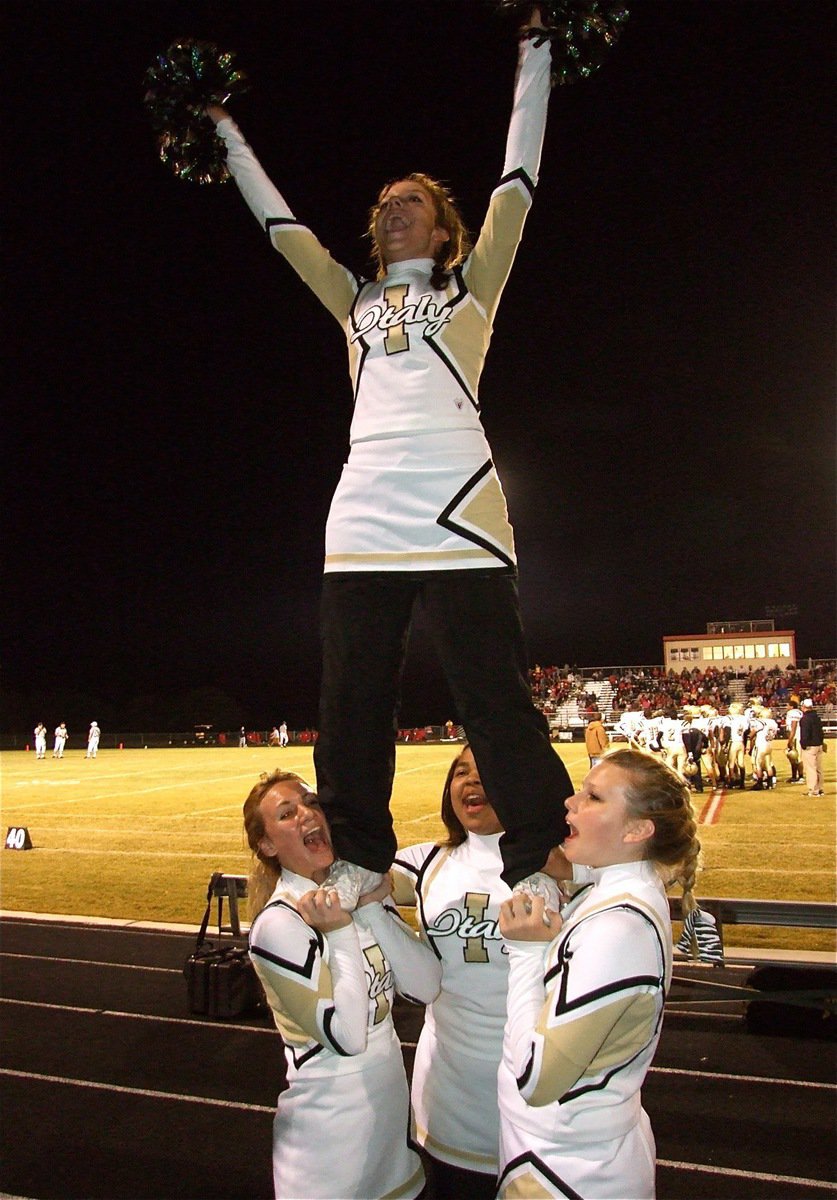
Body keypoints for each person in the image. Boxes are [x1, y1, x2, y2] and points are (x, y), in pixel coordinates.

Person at [207, 5, 572, 905]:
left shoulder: (473, 284)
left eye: (408, 202)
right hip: (364, 503)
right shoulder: (353, 299)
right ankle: (364, 853)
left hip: (458, 502)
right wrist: (222, 130)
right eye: (382, 206)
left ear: (442, 230)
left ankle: (541, 854)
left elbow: (516, 179)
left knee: (492, 697)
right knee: (350, 700)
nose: (390, 210)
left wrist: (536, 47)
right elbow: (280, 225)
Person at [496, 749, 702, 1199]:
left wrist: (527, 953)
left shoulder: (618, 928)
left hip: (568, 1170)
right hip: (567, 1150)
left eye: (593, 797)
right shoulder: (626, 885)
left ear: (636, 830)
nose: (570, 802)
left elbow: (534, 1078)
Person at [243, 768, 440, 1200]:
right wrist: (339, 931)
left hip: (389, 1134)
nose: (306, 814)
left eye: (311, 804)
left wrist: (369, 908)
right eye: (286, 813)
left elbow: (426, 987)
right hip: (329, 1147)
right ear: (268, 845)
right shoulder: (279, 923)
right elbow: (348, 1037)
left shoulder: (349, 891)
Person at [391, 744, 511, 1199]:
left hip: (537, 1085)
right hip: (450, 1089)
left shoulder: (558, 867)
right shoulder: (425, 862)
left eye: (486, 771)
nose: (470, 782)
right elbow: (355, 876)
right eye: (460, 772)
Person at [799, 698, 826, 797]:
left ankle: (813, 790)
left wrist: (803, 744)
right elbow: (820, 732)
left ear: (804, 707)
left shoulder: (805, 719)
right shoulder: (817, 717)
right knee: (818, 768)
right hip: (818, 744)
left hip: (810, 746)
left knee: (811, 768)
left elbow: (805, 734)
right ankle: (820, 788)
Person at [785, 697, 804, 783]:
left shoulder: (792, 713)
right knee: (794, 757)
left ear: (792, 707)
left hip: (796, 737)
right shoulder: (799, 712)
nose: (786, 707)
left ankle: (800, 776)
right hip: (798, 736)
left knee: (796, 757)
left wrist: (790, 739)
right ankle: (795, 776)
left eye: (788, 705)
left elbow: (794, 726)